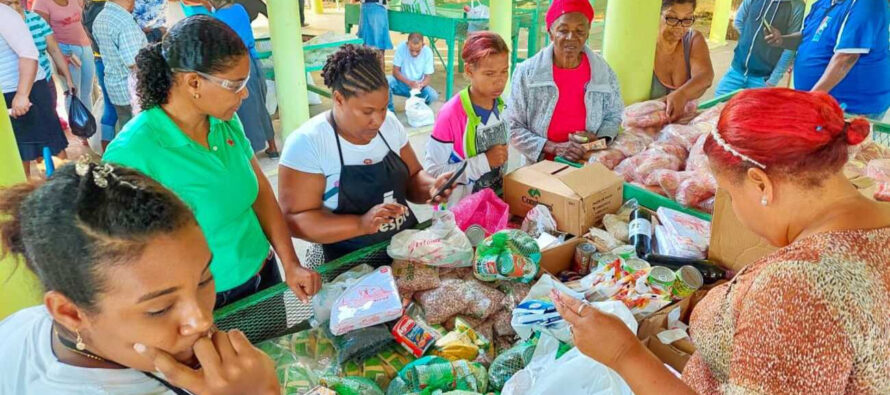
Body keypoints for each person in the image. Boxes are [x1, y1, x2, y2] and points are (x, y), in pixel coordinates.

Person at [553, 88, 890, 394]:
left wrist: (623, 353)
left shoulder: (797, 290)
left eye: (727, 193)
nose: (732, 208)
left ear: (760, 184)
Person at [0, 161, 281, 394]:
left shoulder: (25, 324)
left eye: (204, 280)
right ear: (69, 312)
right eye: (159, 308)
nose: (202, 320)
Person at [103, 16, 321, 307]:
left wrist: (290, 262)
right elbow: (127, 259)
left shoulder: (224, 122)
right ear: (193, 82)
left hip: (262, 277)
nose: (244, 94)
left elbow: (261, 195)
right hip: (203, 302)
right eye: (235, 84)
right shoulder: (132, 154)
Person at [277, 44, 454, 266]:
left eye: (382, 108)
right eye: (367, 112)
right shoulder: (308, 143)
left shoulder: (389, 124)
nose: (378, 120)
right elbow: (294, 219)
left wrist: (432, 187)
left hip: (405, 252)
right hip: (349, 266)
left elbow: (413, 177)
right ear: (339, 99)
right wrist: (360, 224)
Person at [508, 0, 623, 164]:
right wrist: (553, 147)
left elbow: (614, 115)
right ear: (551, 33)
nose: (571, 37)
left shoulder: (604, 72)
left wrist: (598, 139)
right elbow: (513, 127)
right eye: (563, 30)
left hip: (586, 162)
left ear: (588, 33)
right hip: (540, 166)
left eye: (579, 31)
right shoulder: (527, 72)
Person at [766, 0, 890, 120]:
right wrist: (782, 40)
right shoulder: (823, 3)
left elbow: (846, 58)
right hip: (820, 103)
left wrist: (809, 100)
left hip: (852, 109)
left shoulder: (867, 2)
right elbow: (808, 38)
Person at [425, 31, 509, 205]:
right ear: (470, 70)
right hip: (458, 217)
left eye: (504, 71)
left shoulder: (502, 107)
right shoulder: (450, 114)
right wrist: (484, 161)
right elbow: (433, 173)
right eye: (490, 74)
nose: (500, 81)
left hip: (493, 206)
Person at [1, 3, 67, 176]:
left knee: (51, 147)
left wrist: (22, 94)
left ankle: (65, 193)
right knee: (16, 153)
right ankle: (19, 198)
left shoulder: (4, 15)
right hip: (6, 94)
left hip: (27, 91)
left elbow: (29, 54)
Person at [207, 0, 279, 157]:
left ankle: (249, 154)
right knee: (260, 104)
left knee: (244, 110)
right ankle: (272, 147)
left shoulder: (216, 19)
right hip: (253, 60)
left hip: (235, 65)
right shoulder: (240, 9)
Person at [5, 0, 76, 129]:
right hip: (14, 88)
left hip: (44, 82)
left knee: (50, 123)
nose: (14, 7)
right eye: (9, 4)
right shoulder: (4, 24)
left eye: (16, 3)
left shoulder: (35, 19)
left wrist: (68, 79)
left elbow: (54, 50)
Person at [714, 0, 803, 96]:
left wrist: (772, 81)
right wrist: (749, 40)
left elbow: (790, 49)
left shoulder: (796, 6)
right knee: (717, 107)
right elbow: (738, 21)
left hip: (762, 79)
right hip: (736, 70)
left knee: (750, 111)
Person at [651, 0, 714, 121]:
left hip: (681, 130)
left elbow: (705, 76)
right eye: (672, 18)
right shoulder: (643, 47)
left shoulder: (693, 39)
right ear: (656, 15)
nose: (680, 26)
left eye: (687, 19)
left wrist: (682, 95)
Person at [92, 0, 147, 135]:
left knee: (125, 129)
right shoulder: (124, 22)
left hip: (115, 85)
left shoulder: (101, 17)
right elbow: (133, 62)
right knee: (138, 133)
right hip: (132, 89)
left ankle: (118, 155)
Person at [32, 0, 95, 112]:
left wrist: (87, 37)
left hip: (85, 46)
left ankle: (89, 126)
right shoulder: (41, 3)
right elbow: (43, 34)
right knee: (73, 93)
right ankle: (78, 128)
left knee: (87, 92)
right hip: (64, 50)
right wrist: (59, 59)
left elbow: (81, 19)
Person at [83, 0, 118, 149]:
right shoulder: (101, 10)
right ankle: (109, 154)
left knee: (110, 109)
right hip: (108, 61)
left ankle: (107, 154)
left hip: (100, 59)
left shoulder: (89, 8)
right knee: (112, 110)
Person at [387, 33, 438, 112]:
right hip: (401, 83)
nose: (414, 53)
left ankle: (417, 107)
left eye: (417, 51)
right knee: (386, 81)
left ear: (423, 45)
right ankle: (390, 111)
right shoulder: (401, 47)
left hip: (418, 87)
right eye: (411, 50)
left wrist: (421, 85)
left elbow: (428, 77)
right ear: (407, 44)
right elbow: (395, 71)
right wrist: (409, 83)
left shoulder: (428, 52)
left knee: (433, 96)